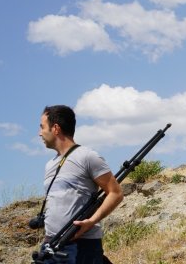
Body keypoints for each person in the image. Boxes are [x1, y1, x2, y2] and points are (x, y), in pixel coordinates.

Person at [37, 105, 123, 263]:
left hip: (82, 245)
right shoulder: (50, 164)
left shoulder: (87, 157)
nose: (39, 133)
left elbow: (115, 193)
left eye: (42, 127)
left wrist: (91, 221)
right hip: (51, 244)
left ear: (55, 128)